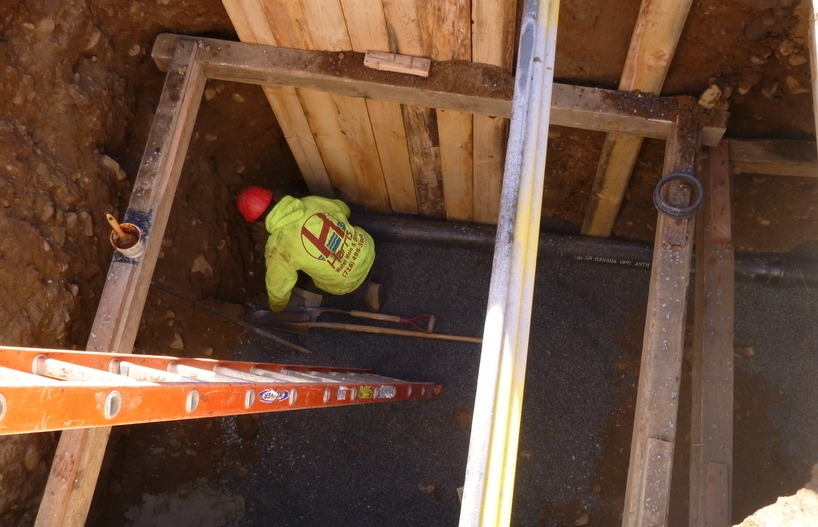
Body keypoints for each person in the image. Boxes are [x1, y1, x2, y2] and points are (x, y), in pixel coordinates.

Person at [237, 186, 382, 313]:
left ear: (258, 223)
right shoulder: (310, 202)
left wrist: (276, 307)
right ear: (273, 197)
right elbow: (344, 209)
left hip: (348, 280)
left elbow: (278, 286)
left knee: (311, 279)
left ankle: (368, 293)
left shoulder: (278, 247)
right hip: (367, 248)